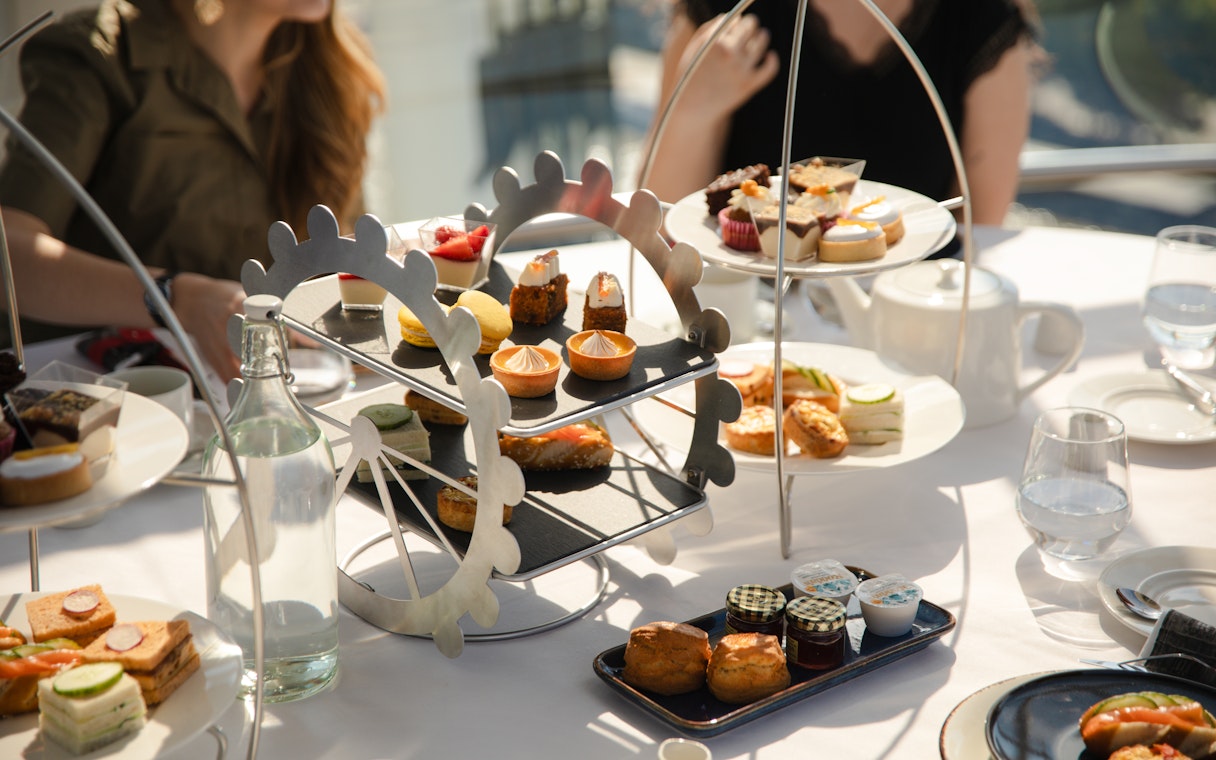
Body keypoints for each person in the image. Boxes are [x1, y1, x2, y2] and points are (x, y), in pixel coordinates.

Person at [0, 0, 385, 381]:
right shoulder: (101, 53)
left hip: (267, 407)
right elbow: (10, 259)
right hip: (103, 407)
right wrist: (175, 298)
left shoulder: (333, 74)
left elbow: (339, 260)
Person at [642, 0, 1039, 229]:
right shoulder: (730, 10)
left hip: (904, 331)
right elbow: (659, 219)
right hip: (747, 327)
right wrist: (694, 109)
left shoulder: (979, 19)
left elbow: (979, 228)